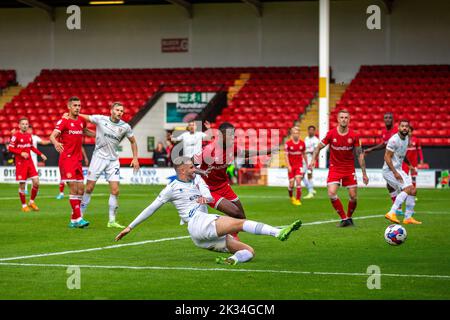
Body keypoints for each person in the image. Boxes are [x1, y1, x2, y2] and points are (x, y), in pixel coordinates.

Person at [114, 156, 302, 265]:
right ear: (181, 171)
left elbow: (210, 198)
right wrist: (130, 227)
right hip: (197, 223)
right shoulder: (171, 188)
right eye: (191, 167)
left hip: (199, 233)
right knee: (240, 223)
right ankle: (278, 232)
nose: (195, 168)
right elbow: (151, 208)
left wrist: (201, 197)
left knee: (249, 251)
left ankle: (232, 260)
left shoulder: (198, 180)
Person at [65, 102, 140, 228]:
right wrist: (69, 115)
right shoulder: (101, 119)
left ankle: (111, 221)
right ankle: (79, 217)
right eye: (117, 110)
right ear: (111, 110)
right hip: (98, 158)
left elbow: (133, 141)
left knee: (115, 190)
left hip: (113, 161)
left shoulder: (125, 127)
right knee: (89, 188)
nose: (120, 113)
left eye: (122, 111)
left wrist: (135, 158)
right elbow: (85, 116)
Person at [194, 123, 276, 230]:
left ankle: (230, 237)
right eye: (229, 135)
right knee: (235, 212)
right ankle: (217, 229)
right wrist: (201, 172)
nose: (232, 137)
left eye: (233, 134)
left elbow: (246, 153)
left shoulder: (232, 148)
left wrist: (266, 151)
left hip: (223, 186)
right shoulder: (208, 150)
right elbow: (188, 165)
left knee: (241, 217)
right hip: (208, 189)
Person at [309, 110, 369, 227]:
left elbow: (359, 154)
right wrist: (313, 160)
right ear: (338, 119)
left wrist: (364, 173)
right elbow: (318, 147)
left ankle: (349, 217)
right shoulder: (331, 134)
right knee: (331, 193)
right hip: (335, 168)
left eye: (346, 117)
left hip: (349, 168)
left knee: (353, 197)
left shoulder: (354, 135)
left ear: (349, 119)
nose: (344, 119)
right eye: (341, 117)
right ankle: (344, 218)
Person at [49, 97, 95, 228]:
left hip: (78, 159)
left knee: (81, 190)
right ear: (69, 107)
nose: (78, 108)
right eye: (75, 105)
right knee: (74, 189)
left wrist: (99, 136)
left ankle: (73, 220)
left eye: (79, 105)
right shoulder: (64, 121)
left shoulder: (81, 120)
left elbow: (85, 131)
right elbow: (52, 136)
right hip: (67, 159)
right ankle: (79, 218)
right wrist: (56, 143)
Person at [383, 120, 421, 225]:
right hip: (389, 170)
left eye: (406, 126)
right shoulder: (394, 140)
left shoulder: (407, 139)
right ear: (398, 127)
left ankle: (408, 218)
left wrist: (410, 165)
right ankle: (392, 212)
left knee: (413, 190)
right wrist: (395, 172)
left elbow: (402, 155)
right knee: (408, 189)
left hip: (398, 169)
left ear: (408, 129)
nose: (404, 128)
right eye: (402, 126)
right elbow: (386, 156)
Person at [364, 112, 402, 214]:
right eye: (386, 118)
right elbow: (384, 144)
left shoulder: (396, 131)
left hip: (397, 160)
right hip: (389, 160)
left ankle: (400, 207)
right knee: (390, 185)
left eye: (390, 117)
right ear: (384, 120)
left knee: (398, 184)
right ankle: (398, 208)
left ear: (393, 119)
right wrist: (371, 149)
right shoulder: (384, 132)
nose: (388, 119)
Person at [8, 118, 47, 211]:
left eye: (26, 124)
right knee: (22, 184)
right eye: (23, 124)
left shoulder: (29, 136)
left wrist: (40, 154)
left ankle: (31, 202)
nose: (25, 125)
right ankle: (24, 205)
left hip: (30, 162)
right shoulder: (16, 136)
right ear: (19, 125)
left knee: (36, 182)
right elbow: (10, 148)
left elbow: (31, 147)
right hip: (20, 163)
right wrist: (21, 153)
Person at [284, 127, 307, 206]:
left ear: (299, 134)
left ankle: (298, 199)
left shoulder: (302, 143)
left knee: (298, 181)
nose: (295, 134)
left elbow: (304, 154)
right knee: (291, 184)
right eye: (294, 133)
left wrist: (307, 163)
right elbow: (286, 156)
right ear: (292, 134)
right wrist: (288, 166)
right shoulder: (288, 144)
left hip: (299, 165)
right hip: (291, 166)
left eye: (297, 133)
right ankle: (291, 197)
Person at [402, 126, 423, 191]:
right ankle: (404, 192)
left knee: (413, 177)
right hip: (405, 162)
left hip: (414, 162)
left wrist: (421, 159)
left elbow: (419, 150)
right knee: (404, 177)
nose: (409, 133)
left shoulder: (416, 140)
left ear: (412, 132)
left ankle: (413, 193)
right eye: (408, 131)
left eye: (410, 131)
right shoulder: (403, 140)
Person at [303, 125, 320, 199]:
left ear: (314, 131)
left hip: (311, 158)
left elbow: (316, 150)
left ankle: (310, 192)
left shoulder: (316, 140)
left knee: (309, 174)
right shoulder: (306, 138)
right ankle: (311, 189)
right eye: (309, 130)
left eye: (312, 130)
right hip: (305, 158)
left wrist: (314, 159)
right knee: (301, 175)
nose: (311, 131)